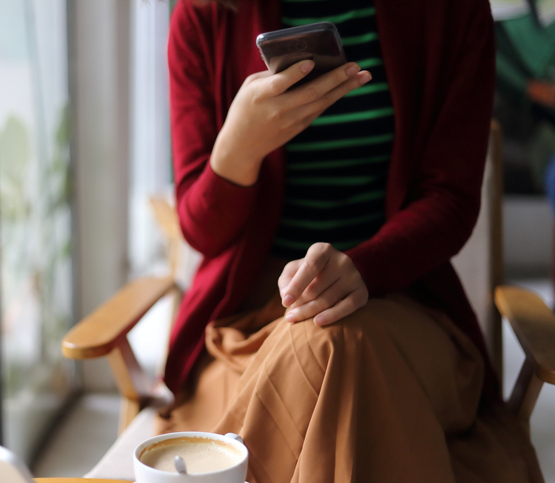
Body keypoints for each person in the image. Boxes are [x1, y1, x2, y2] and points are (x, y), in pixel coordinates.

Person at [159, 0, 544, 481]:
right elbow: (202, 231)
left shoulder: (453, 12)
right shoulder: (206, 15)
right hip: (248, 318)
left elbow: (450, 199)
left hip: (404, 305)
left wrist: (364, 268)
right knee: (332, 352)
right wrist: (239, 146)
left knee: (334, 341)